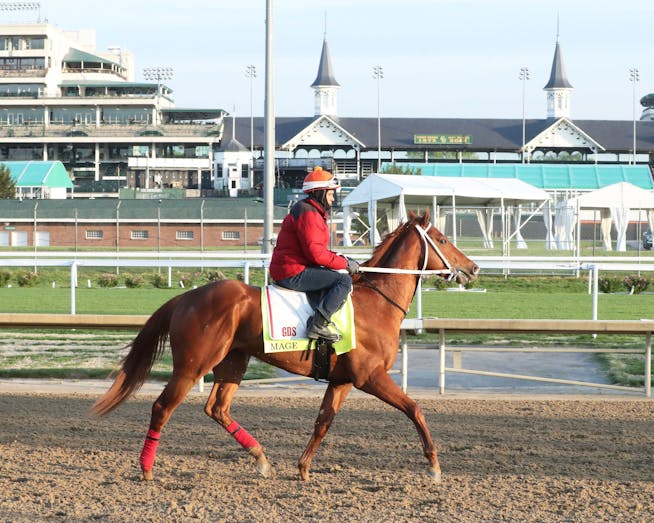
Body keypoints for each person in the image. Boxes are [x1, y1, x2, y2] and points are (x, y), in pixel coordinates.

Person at [269, 166, 359, 342]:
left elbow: (317, 249)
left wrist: (343, 259)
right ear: (321, 193)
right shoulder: (309, 213)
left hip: (291, 268)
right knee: (343, 280)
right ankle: (317, 325)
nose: (333, 200)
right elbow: (316, 255)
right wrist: (344, 264)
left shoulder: (310, 211)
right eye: (331, 194)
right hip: (292, 272)